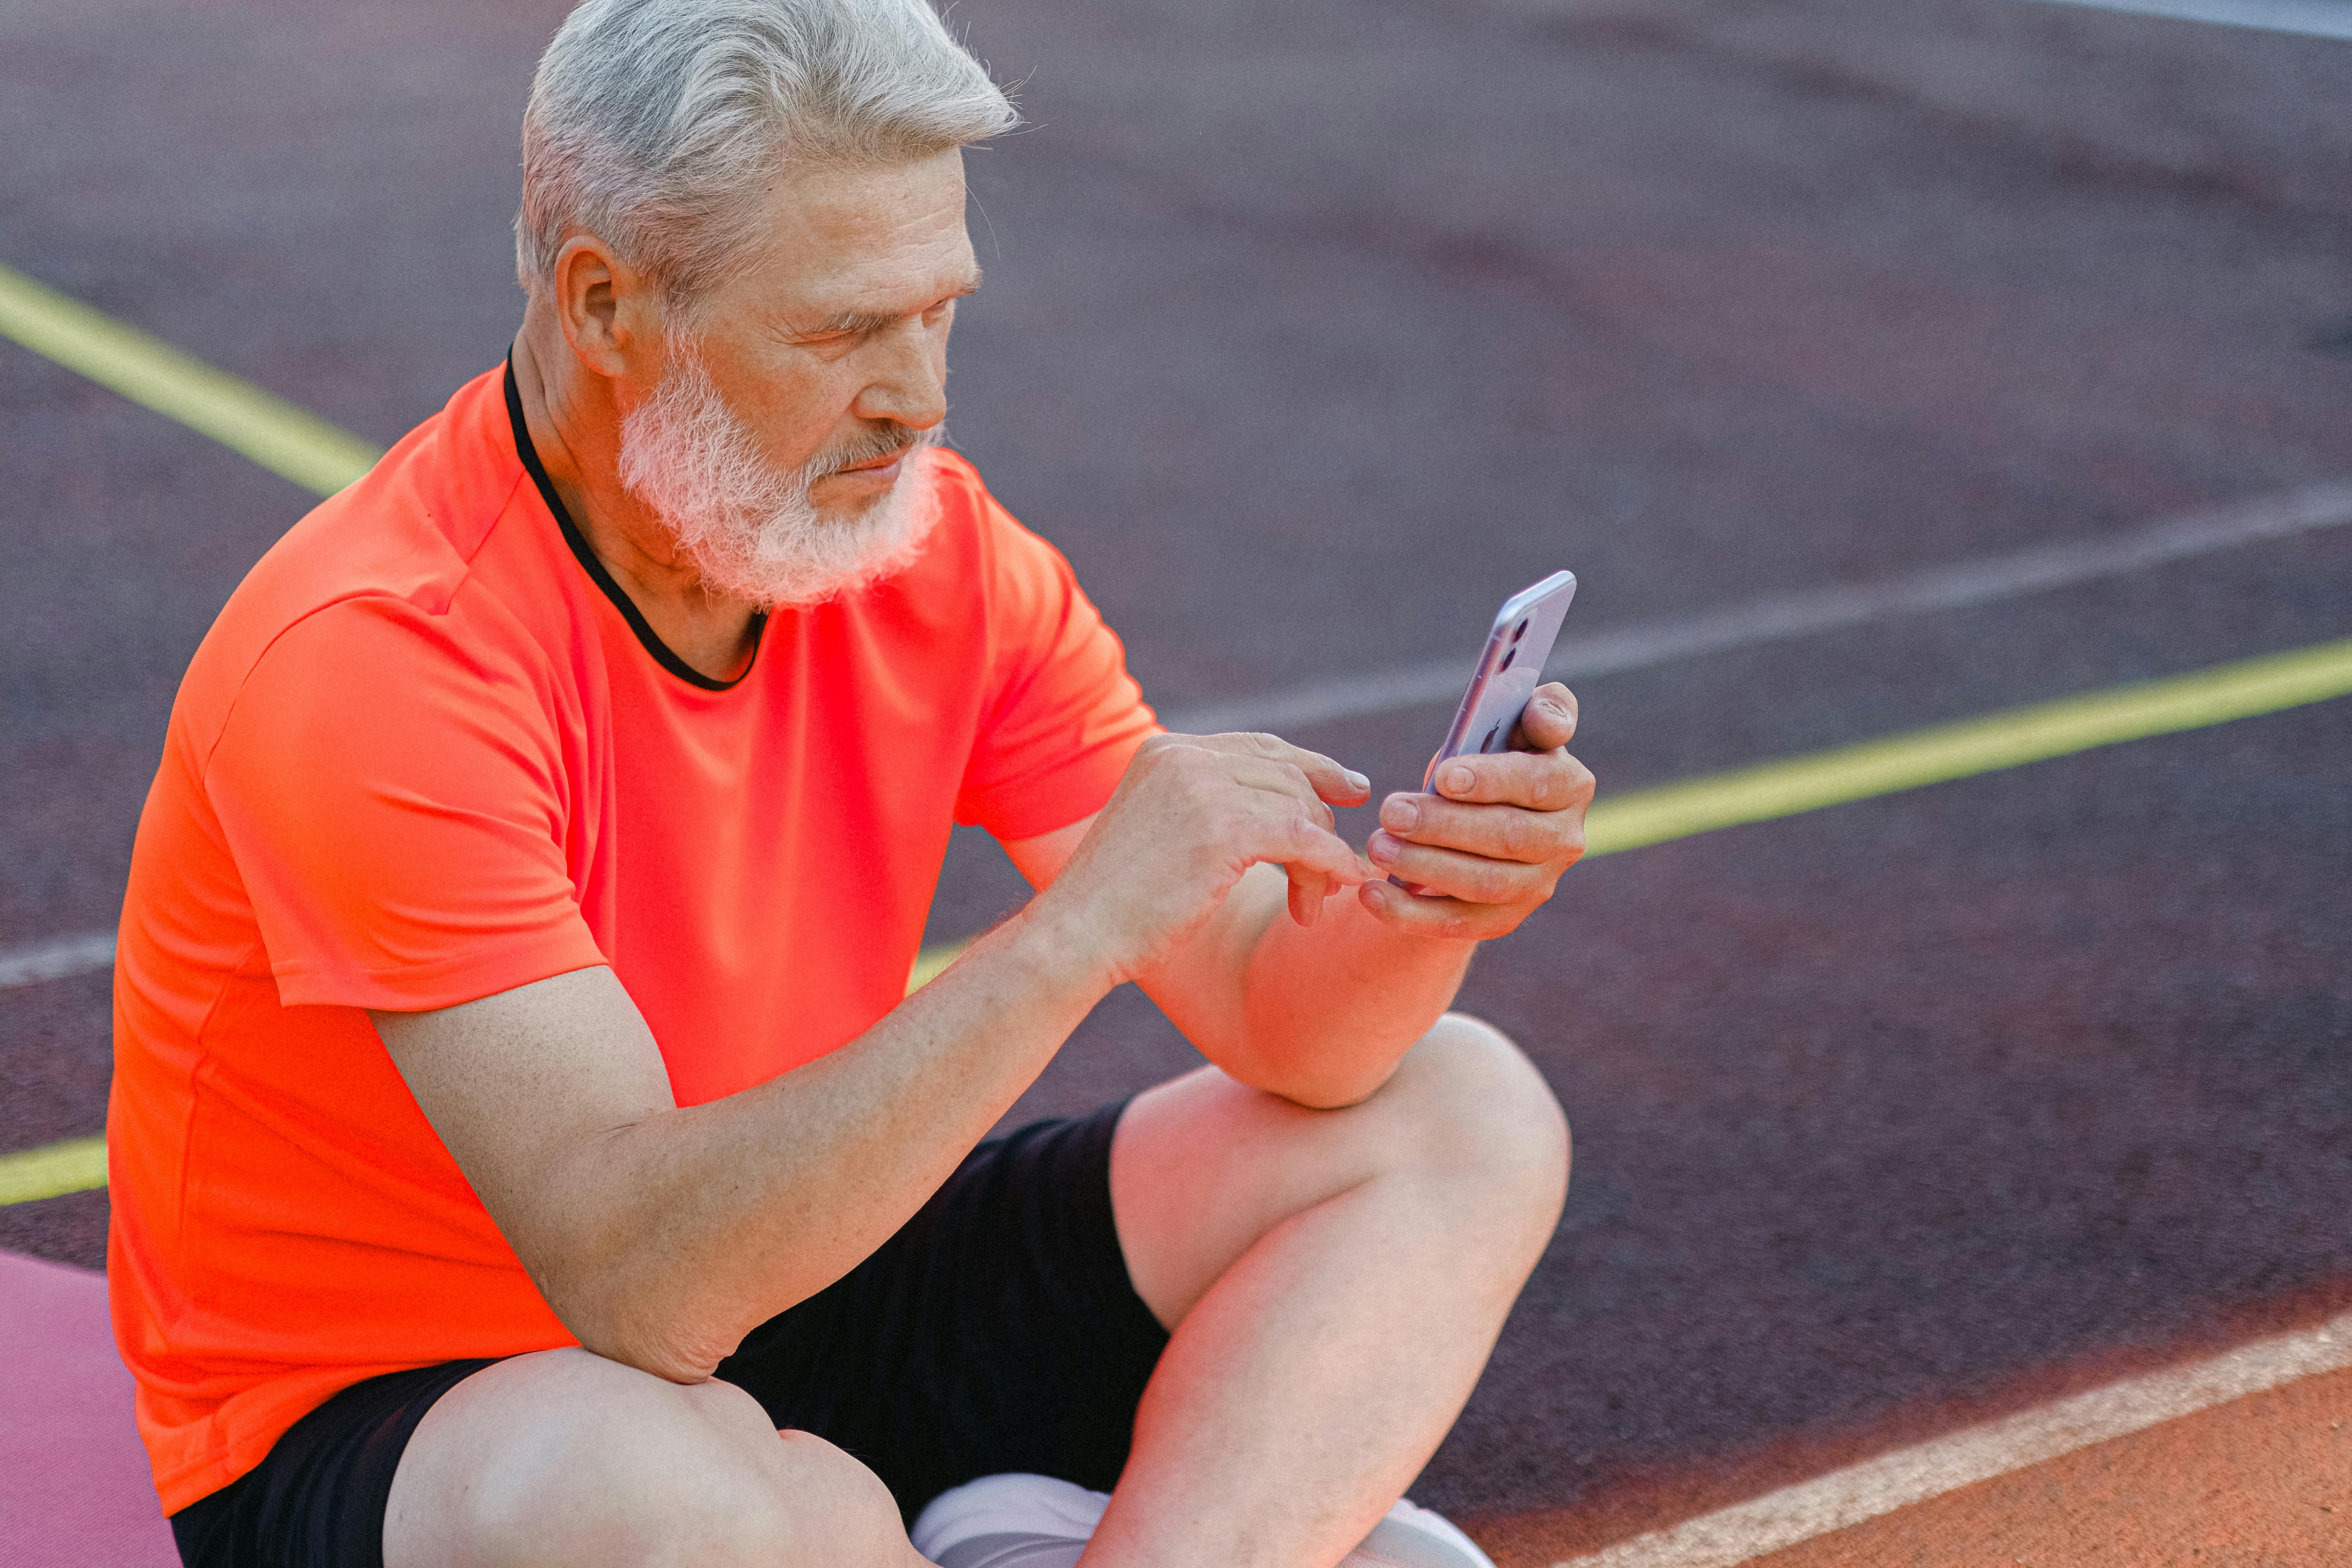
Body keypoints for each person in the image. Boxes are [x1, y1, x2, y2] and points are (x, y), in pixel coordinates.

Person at [106, 2, 1592, 1564]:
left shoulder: (925, 544)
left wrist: (1429, 904)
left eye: (941, 310)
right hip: (433, 1409)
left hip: (803, 1262)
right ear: (607, 304)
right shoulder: (380, 655)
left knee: (1462, 1104)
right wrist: (1076, 929)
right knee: (646, 1484)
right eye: (845, 329)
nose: (921, 395)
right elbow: (642, 1283)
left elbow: (1288, 1031)